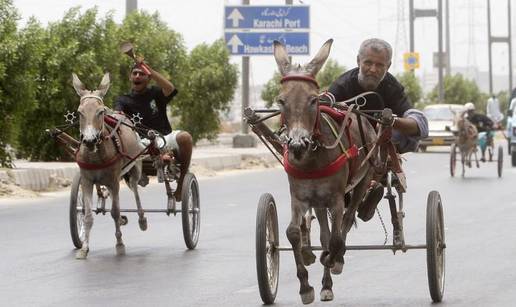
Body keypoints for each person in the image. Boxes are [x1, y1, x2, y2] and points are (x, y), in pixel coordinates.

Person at [326, 38, 428, 222]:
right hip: (349, 148)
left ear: (387, 66)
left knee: (394, 135)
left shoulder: (392, 87)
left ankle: (371, 187)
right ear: (358, 61)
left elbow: (418, 123)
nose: (373, 69)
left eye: (379, 65)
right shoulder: (342, 84)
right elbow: (325, 105)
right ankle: (356, 194)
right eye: (368, 63)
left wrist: (393, 122)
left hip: (380, 147)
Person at [114, 59, 193, 201]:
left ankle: (181, 184)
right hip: (139, 143)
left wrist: (148, 68)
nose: (138, 76)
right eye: (135, 73)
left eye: (142, 74)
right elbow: (117, 116)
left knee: (185, 137)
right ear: (130, 77)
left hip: (164, 138)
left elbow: (169, 88)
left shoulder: (156, 93)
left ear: (148, 78)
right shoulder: (123, 100)